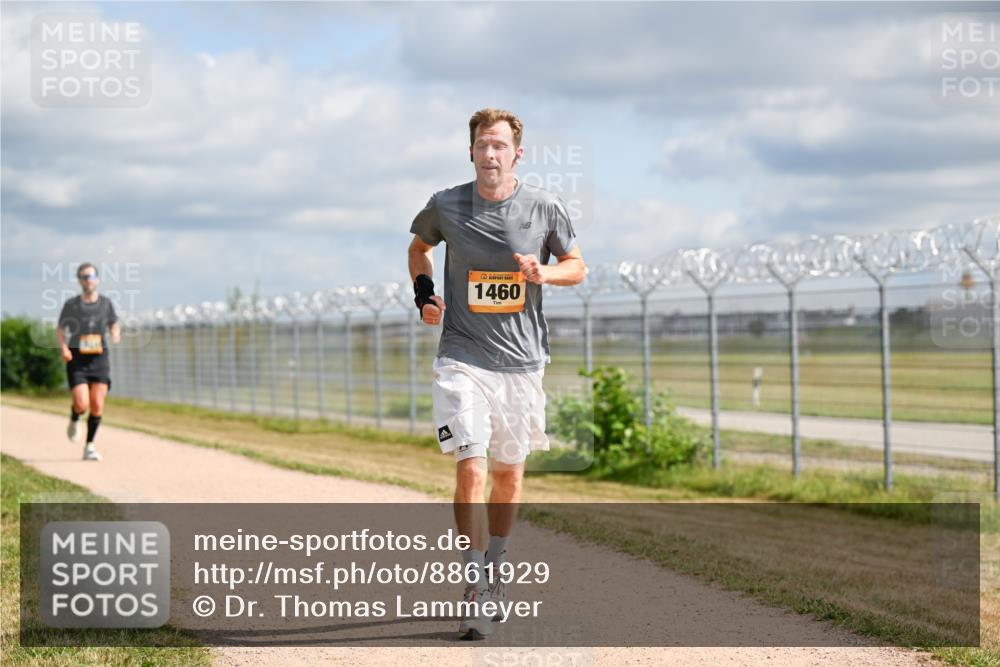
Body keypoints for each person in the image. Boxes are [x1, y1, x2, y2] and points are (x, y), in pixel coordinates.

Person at [407, 108, 586, 639]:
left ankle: (497, 569)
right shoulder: (446, 205)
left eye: (500, 146)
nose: (491, 154)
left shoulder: (543, 206)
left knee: (509, 475)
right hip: (462, 355)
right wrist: (424, 296)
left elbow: (577, 266)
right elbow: (418, 248)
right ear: (470, 151)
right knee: (472, 464)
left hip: (522, 362)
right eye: (483, 145)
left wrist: (544, 272)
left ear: (517, 153)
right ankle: (473, 584)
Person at [56, 262, 120, 461]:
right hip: (78, 359)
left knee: (97, 405)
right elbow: (60, 329)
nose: (88, 280)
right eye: (84, 277)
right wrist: (64, 348)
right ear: (79, 280)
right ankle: (75, 417)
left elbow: (114, 323)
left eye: (91, 276)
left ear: (97, 279)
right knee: (82, 404)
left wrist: (115, 333)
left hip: (100, 359)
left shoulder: (106, 303)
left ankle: (89, 446)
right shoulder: (72, 305)